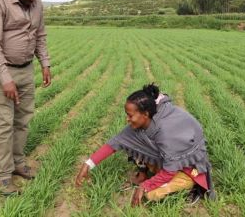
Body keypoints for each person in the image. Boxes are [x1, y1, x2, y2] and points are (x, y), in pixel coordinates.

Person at [75, 84, 214, 206]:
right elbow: (116, 142)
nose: (127, 119)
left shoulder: (166, 132)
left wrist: (144, 187)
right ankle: (145, 175)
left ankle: (190, 186)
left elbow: (170, 170)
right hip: (167, 162)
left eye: (130, 115)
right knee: (132, 142)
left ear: (145, 114)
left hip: (186, 169)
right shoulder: (143, 123)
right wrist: (88, 164)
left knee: (152, 194)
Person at [0, 0, 51, 195]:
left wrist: (45, 63)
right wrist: (5, 79)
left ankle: (18, 163)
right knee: (3, 123)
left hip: (25, 68)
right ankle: (2, 176)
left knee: (23, 119)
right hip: (1, 69)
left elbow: (40, 35)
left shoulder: (36, 3)